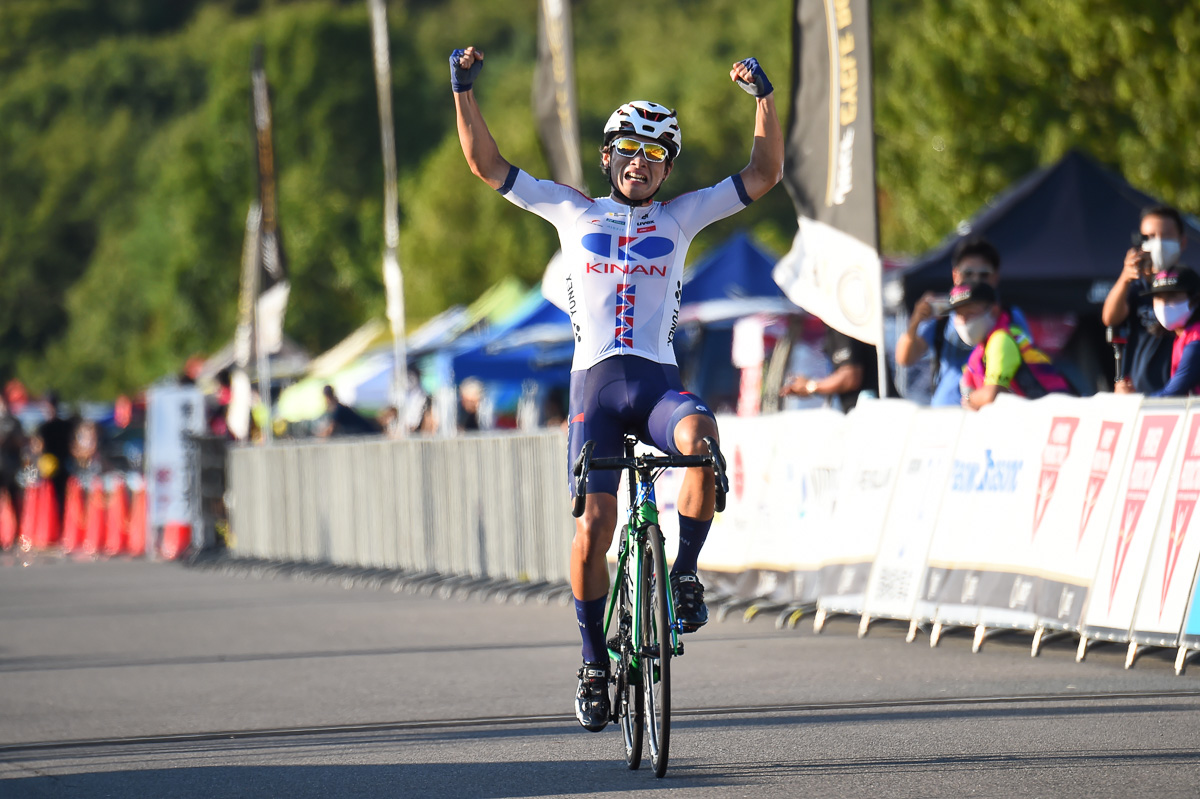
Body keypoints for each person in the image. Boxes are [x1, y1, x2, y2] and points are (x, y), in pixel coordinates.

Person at [451, 45, 783, 731]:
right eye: (629, 151)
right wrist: (463, 88)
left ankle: (685, 572)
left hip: (657, 386)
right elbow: (487, 166)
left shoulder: (683, 215)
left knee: (702, 439)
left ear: (668, 167)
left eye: (656, 155)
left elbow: (764, 172)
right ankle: (592, 661)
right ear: (608, 158)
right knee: (593, 528)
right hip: (594, 391)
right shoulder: (573, 211)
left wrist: (763, 101)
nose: (641, 163)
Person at [896, 237, 1031, 405]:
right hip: (946, 414)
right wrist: (915, 323)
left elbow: (1027, 362)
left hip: (987, 413)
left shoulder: (1010, 318)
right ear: (955, 275)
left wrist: (972, 399)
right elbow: (904, 359)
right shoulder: (941, 316)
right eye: (961, 314)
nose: (975, 281)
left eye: (983, 275)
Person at [1101, 205, 1188, 394]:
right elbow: (1110, 318)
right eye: (1150, 237)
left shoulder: (1190, 287)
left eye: (1166, 236)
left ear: (1182, 242)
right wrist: (1125, 277)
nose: (1158, 243)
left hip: (1180, 393)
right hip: (1137, 393)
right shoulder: (1137, 288)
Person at [949, 283, 1072, 409]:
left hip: (1056, 413)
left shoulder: (1001, 338)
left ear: (994, 310)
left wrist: (970, 398)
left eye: (970, 312)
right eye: (959, 315)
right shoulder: (981, 349)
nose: (964, 320)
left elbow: (992, 395)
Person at [780, 327, 881, 412]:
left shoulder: (842, 325)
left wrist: (810, 386)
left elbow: (850, 378)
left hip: (874, 415)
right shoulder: (836, 326)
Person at [1139, 266, 1200, 396]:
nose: (1164, 304)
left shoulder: (1196, 338)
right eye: (1158, 297)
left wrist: (1133, 403)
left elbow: (1173, 392)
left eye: (1172, 296)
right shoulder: (1184, 335)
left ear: (1195, 299)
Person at [36, 392, 76, 522]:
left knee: (51, 495)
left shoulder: (44, 427)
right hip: (61, 463)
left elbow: (39, 447)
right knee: (61, 496)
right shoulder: (65, 425)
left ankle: (53, 523)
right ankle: (59, 523)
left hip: (52, 464)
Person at [316, 385, 381, 437]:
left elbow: (332, 428)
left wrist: (320, 436)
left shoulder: (338, 408)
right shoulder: (338, 407)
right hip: (362, 430)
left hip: (363, 430)